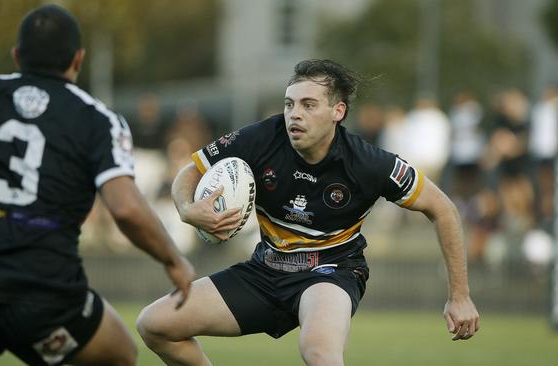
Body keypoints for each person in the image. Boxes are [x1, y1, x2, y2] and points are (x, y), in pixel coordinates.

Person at [136, 59, 480, 365]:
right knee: (155, 325)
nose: (294, 113)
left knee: (319, 352)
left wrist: (460, 297)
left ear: (338, 111)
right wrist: (187, 208)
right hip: (265, 270)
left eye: (308, 104)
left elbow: (444, 209)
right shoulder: (262, 137)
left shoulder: (369, 162)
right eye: (289, 104)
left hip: (330, 272)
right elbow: (190, 172)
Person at [0, 4, 194, 366]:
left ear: (16, 56)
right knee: (121, 355)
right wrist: (173, 260)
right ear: (78, 59)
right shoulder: (97, 119)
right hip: (46, 298)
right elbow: (124, 206)